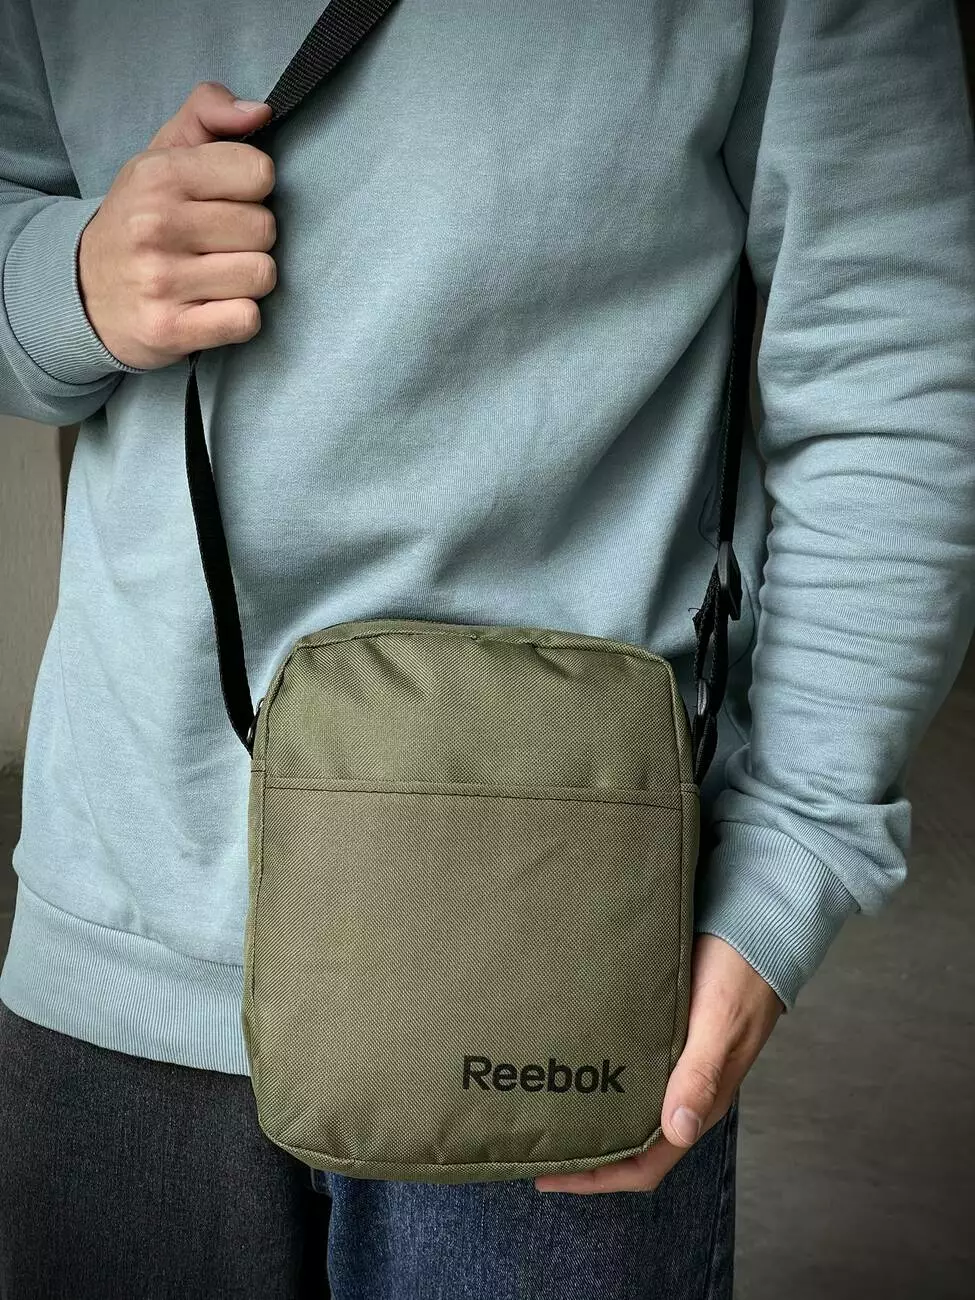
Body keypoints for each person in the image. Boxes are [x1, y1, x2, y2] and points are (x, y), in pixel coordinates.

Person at [0, 1, 972, 1296]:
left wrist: (790, 860)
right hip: (123, 908)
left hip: (555, 927)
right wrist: (73, 280)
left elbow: (893, 372)